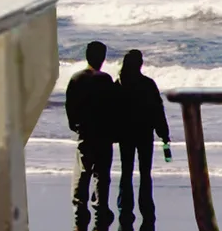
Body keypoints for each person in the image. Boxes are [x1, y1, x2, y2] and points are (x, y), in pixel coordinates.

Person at [112, 48, 171, 218]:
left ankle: (124, 206)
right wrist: (163, 133)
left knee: (126, 170)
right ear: (140, 64)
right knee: (145, 172)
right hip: (144, 133)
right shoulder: (148, 84)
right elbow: (157, 111)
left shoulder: (119, 84)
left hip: (125, 134)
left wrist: (112, 132)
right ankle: (146, 207)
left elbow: (112, 111)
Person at [64, 41, 117, 220]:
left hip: (85, 130)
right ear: (102, 58)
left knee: (83, 169)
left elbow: (69, 104)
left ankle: (79, 206)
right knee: (102, 172)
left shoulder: (76, 78)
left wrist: (74, 123)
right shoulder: (105, 79)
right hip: (103, 131)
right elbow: (112, 107)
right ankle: (100, 206)